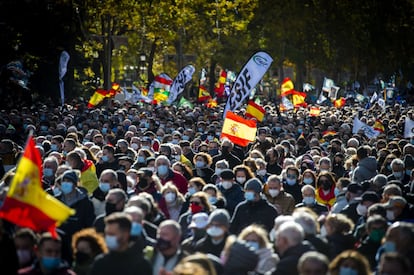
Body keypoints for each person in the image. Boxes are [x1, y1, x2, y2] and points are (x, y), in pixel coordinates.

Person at [57, 169, 95, 263]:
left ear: (75, 184)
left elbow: (89, 224)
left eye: (69, 181)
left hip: (76, 243)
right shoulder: (56, 200)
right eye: (64, 181)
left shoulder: (85, 203)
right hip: (58, 243)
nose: (66, 184)